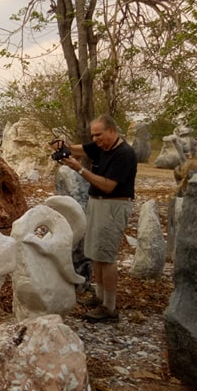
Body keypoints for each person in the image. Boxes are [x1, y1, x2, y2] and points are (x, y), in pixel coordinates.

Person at [52, 115, 138, 323]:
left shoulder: (124, 154)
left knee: (106, 256)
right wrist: (64, 147)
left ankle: (110, 307)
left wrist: (79, 169)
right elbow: (77, 149)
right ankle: (99, 297)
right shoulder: (101, 146)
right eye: (93, 136)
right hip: (98, 203)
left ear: (111, 131)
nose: (96, 139)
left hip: (114, 204)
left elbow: (109, 185)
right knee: (96, 253)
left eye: (99, 135)